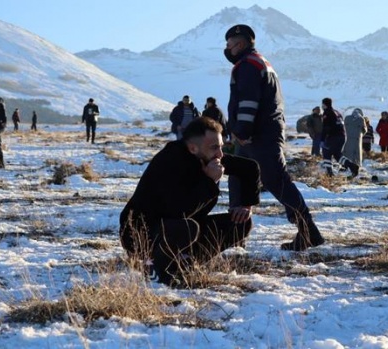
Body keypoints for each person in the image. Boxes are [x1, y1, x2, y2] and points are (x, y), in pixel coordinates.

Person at [119, 117, 260, 286]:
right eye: (215, 148)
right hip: (142, 233)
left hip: (180, 229)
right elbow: (178, 211)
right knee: (187, 227)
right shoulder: (170, 162)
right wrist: (209, 181)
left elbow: (250, 168)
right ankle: (157, 269)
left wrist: (246, 205)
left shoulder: (207, 157)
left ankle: (185, 262)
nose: (220, 154)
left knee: (241, 223)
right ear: (193, 148)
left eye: (222, 147)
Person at [223, 24, 325, 251]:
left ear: (239, 44)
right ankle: (235, 234)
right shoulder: (259, 62)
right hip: (260, 133)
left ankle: (309, 232)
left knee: (275, 180)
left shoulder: (248, 64)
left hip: (258, 135)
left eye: (229, 44)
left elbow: (249, 101)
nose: (227, 49)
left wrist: (242, 131)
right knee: (239, 179)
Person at [319, 98, 360, 177]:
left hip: (333, 137)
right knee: (337, 155)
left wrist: (322, 139)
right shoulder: (337, 112)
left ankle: (329, 173)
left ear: (324, 104)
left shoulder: (327, 113)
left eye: (322, 104)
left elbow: (326, 128)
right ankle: (352, 166)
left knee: (326, 152)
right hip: (342, 136)